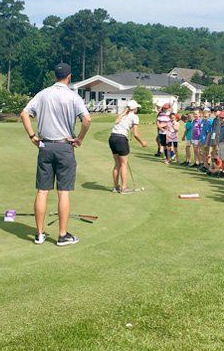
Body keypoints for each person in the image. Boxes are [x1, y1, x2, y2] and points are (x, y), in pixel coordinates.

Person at [20, 62, 92, 246]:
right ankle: (62, 235)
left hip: (45, 146)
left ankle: (39, 234)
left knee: (42, 191)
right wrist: (80, 139)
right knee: (63, 192)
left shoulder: (43, 94)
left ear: (55, 76)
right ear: (69, 77)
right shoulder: (72, 96)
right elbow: (87, 120)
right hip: (65, 147)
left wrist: (32, 136)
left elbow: (24, 114)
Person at [109, 100, 148, 193]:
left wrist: (125, 111)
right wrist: (142, 142)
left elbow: (116, 121)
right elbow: (135, 134)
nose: (137, 109)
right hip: (121, 139)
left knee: (117, 164)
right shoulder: (135, 117)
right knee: (123, 164)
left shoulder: (123, 115)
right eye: (136, 107)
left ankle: (116, 187)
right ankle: (124, 187)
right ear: (134, 108)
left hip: (112, 138)